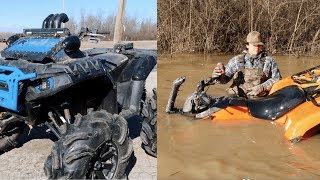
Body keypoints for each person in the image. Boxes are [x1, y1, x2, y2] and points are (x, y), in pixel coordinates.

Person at [212, 31, 281, 98]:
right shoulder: (236, 61)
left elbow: (277, 79)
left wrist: (263, 87)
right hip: (236, 99)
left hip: (258, 101)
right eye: (254, 45)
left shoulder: (269, 61)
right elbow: (224, 80)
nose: (257, 48)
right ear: (247, 45)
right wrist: (217, 76)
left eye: (259, 45)